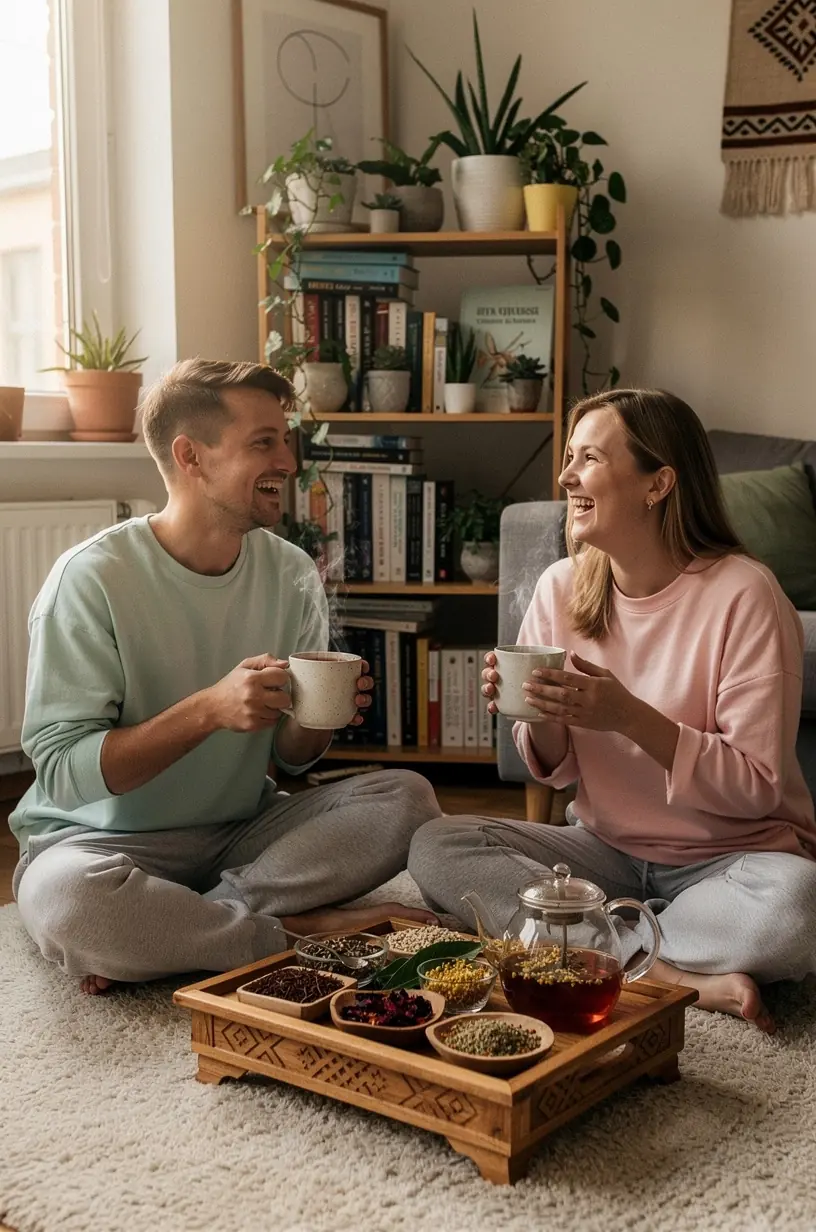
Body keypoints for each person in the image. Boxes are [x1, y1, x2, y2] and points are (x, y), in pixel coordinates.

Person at [11, 358, 440, 993]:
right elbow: (64, 775)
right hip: (102, 843)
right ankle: (293, 931)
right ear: (191, 456)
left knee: (406, 799)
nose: (289, 462)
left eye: (286, 440)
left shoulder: (291, 572)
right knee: (69, 902)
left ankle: (187, 929)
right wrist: (208, 710)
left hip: (238, 833)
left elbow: (291, 763)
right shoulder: (91, 578)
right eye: (264, 443)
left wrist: (313, 718)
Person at [409, 388, 816, 1034]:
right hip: (605, 851)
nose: (567, 476)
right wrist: (539, 712)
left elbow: (757, 788)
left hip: (733, 858)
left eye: (589, 458)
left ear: (658, 484)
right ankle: (662, 968)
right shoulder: (562, 587)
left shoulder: (746, 595)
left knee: (798, 908)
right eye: (569, 457)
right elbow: (553, 772)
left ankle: (585, 947)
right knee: (438, 844)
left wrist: (628, 716)